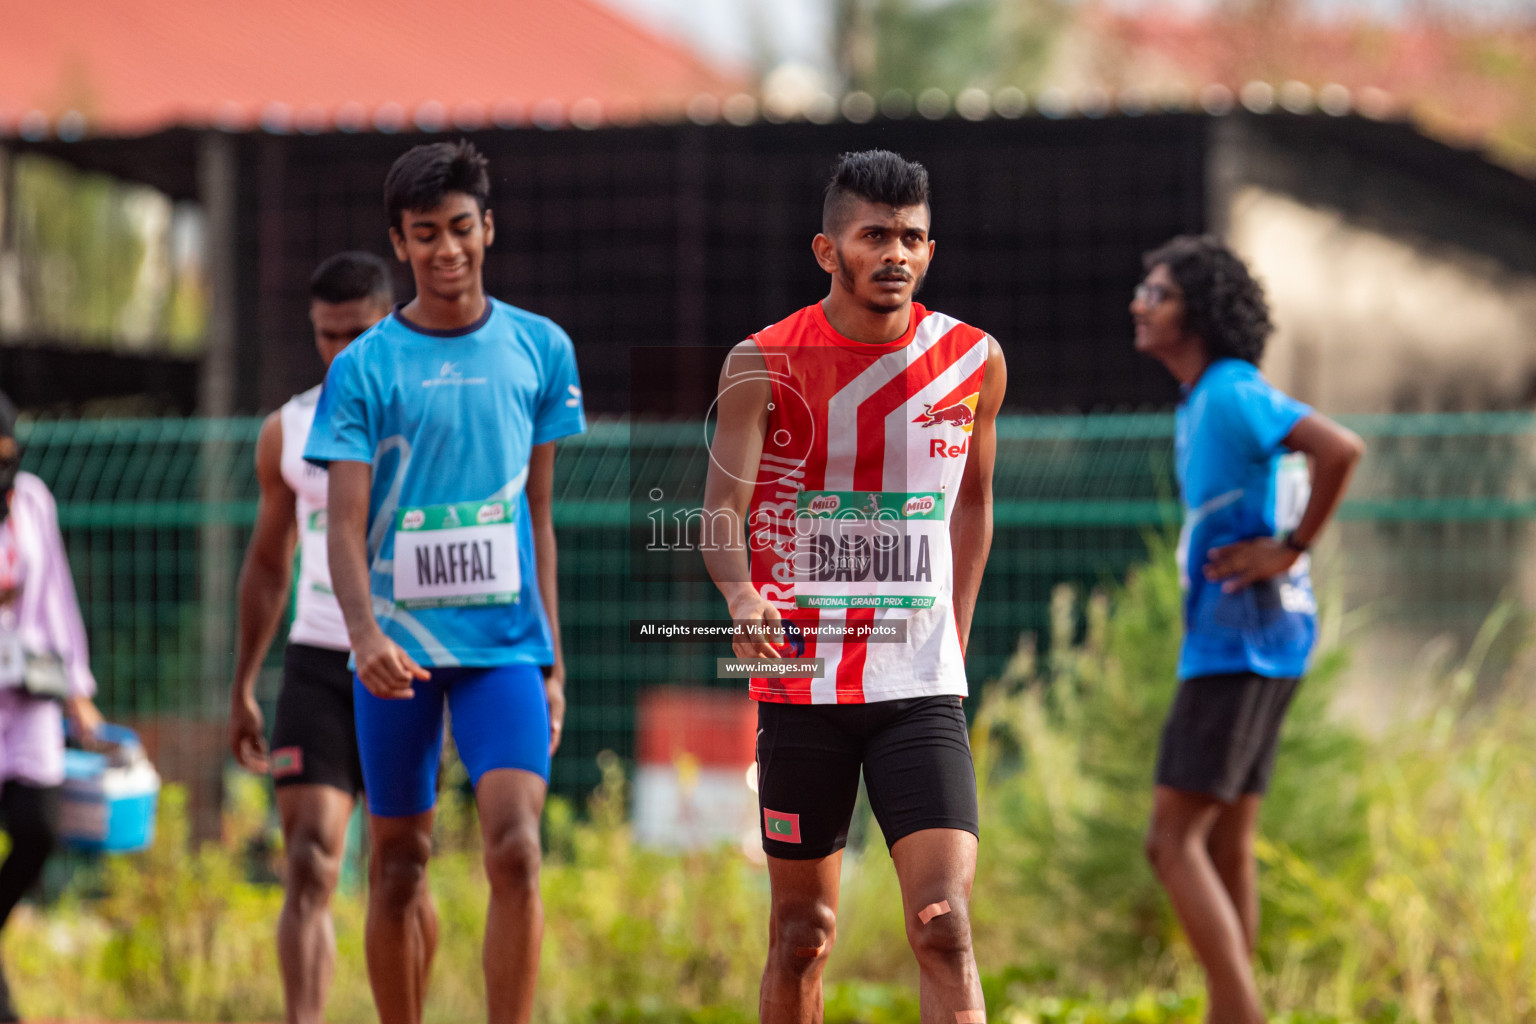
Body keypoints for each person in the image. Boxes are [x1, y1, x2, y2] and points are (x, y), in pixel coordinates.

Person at [702, 150, 1006, 1024]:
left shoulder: (973, 362)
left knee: (943, 925)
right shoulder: (761, 361)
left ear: (930, 249)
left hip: (920, 689)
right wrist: (741, 595)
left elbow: (974, 505)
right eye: (874, 236)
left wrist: (956, 631)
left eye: (911, 237)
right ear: (828, 250)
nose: (895, 254)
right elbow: (721, 507)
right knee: (803, 931)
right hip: (804, 680)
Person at [304, 139, 584, 1024]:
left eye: (462, 228)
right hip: (397, 656)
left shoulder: (540, 349)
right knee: (398, 868)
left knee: (518, 850)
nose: (447, 250)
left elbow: (538, 517)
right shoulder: (364, 368)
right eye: (426, 234)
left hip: (504, 647)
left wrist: (553, 659)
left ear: (488, 229)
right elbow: (342, 528)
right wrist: (365, 637)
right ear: (400, 243)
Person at [1132, 235, 1364, 1024]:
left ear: (1197, 311)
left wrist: (1292, 547)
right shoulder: (1201, 402)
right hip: (1259, 640)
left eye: (1157, 293)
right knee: (1225, 841)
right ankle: (1234, 1009)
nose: (1140, 303)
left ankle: (1239, 1013)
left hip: (1240, 642)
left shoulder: (1230, 390)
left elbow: (1339, 448)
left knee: (1170, 844)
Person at [227, 251, 393, 1024]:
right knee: (309, 859)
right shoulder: (287, 431)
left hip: (410, 662)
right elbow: (267, 567)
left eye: (357, 332)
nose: (342, 352)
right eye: (328, 336)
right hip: (319, 659)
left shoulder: (429, 414)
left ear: (389, 319)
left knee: (401, 870)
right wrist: (243, 685)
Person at [0, 393, 104, 1022]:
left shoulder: (33, 501)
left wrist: (79, 696)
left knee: (38, 830)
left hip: (29, 699)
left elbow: (57, 599)